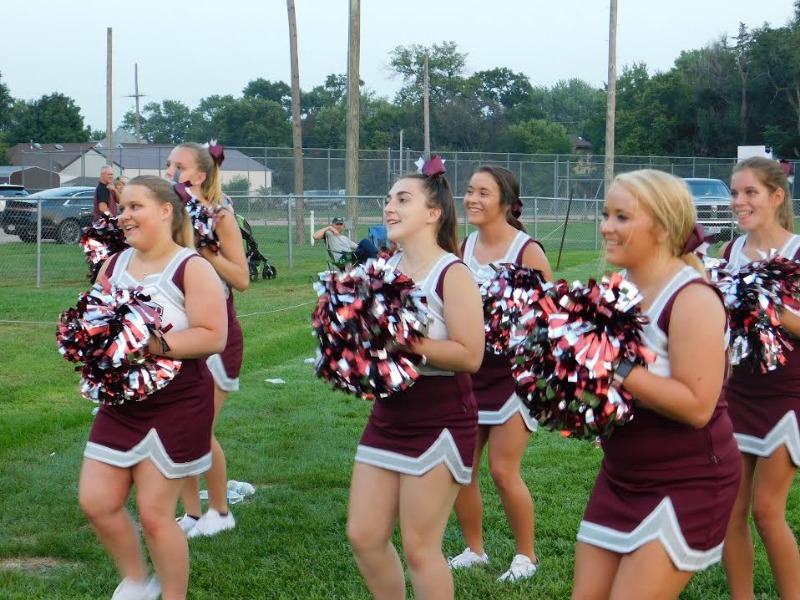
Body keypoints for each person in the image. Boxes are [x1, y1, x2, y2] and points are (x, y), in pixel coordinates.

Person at [572, 169, 741, 599]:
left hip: (688, 480)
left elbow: (698, 405)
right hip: (621, 474)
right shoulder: (623, 290)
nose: (607, 226)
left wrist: (616, 367)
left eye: (622, 217)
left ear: (663, 227)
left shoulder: (692, 298)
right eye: (606, 214)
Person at [78, 175, 227, 600]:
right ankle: (139, 582)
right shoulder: (114, 264)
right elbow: (100, 327)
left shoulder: (192, 266)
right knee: (97, 501)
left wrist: (155, 344)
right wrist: (94, 362)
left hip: (177, 402)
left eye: (134, 207)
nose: (123, 216)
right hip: (122, 402)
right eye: (122, 208)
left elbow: (213, 335)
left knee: (155, 514)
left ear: (165, 211)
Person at [346, 159, 485, 599]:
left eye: (402, 199)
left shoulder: (452, 272)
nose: (389, 207)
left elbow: (470, 355)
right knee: (364, 536)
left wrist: (406, 343)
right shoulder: (383, 270)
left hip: (441, 416)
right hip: (389, 415)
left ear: (433, 213)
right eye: (388, 199)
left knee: (421, 548)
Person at [449, 165, 552, 582]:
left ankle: (526, 556)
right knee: (462, 469)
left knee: (503, 470)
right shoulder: (463, 248)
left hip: (514, 375)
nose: (471, 199)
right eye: (470, 191)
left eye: (483, 193)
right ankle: (475, 549)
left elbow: (552, 320)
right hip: (471, 373)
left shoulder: (527, 251)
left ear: (506, 204)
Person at [721, 157, 800, 599]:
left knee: (768, 512)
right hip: (738, 392)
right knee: (732, 513)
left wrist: (767, 303)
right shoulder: (730, 253)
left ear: (775, 196)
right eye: (734, 193)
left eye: (749, 192)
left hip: (788, 394)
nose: (739, 201)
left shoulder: (799, 252)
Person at [165, 142, 250, 538]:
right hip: (180, 334)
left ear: (199, 176)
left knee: (197, 427)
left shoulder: (219, 215)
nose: (170, 171)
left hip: (217, 336)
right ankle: (193, 514)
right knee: (179, 426)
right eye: (167, 165)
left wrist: (205, 252)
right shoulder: (169, 215)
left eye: (178, 166)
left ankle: (220, 511)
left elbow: (242, 279)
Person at [313, 216, 378, 263]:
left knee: (365, 245)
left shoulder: (344, 238)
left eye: (340, 224)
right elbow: (315, 236)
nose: (338, 226)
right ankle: (379, 258)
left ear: (343, 226)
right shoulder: (329, 233)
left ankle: (375, 264)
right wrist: (329, 227)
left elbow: (357, 247)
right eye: (337, 224)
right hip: (342, 261)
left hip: (351, 257)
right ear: (332, 224)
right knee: (365, 241)